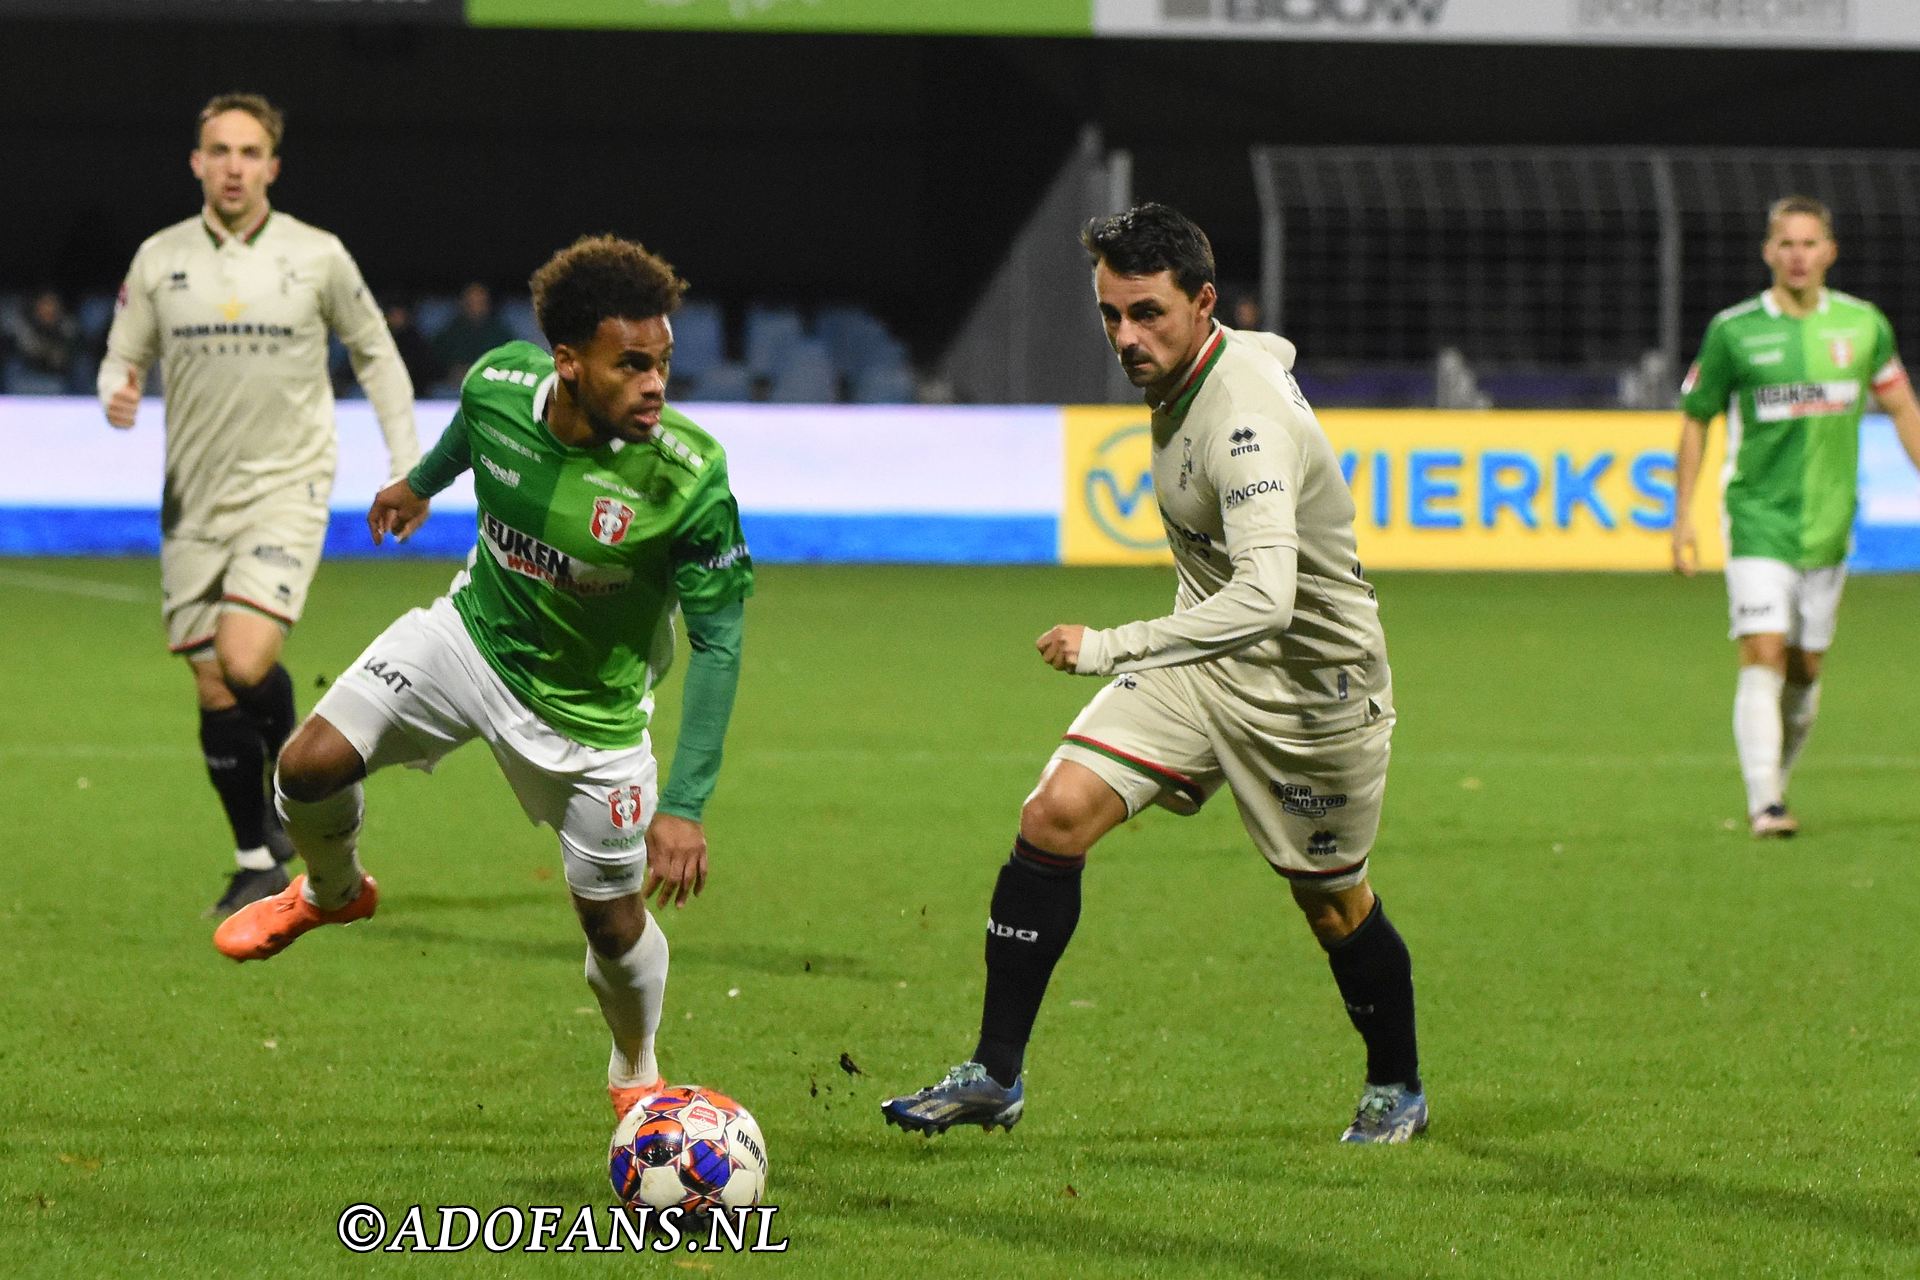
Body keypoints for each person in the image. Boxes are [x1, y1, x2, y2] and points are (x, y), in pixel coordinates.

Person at [881, 204, 1426, 1144]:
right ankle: (994, 1075)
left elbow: (1266, 600)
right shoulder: (1206, 361)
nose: (1125, 338)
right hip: (1201, 668)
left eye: (1147, 314)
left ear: (1202, 303)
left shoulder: (1241, 426)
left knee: (1332, 903)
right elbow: (1270, 352)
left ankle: (1397, 1085)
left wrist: (1108, 645)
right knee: (1052, 816)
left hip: (1309, 694)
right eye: (1110, 315)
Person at [212, 234, 753, 1125]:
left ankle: (635, 1066)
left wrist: (685, 804)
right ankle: (331, 892)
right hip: (468, 643)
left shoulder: (687, 479)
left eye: (662, 362)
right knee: (305, 767)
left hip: (592, 724)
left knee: (612, 928)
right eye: (632, 364)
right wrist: (420, 485)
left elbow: (722, 642)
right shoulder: (500, 383)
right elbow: (474, 433)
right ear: (569, 363)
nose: (656, 383)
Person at [96, 92, 420, 916]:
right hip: (192, 500)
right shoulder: (159, 257)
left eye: (249, 152)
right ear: (197, 162)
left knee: (244, 661)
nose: (233, 165)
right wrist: (118, 390)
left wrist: (408, 461)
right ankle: (257, 858)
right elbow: (120, 355)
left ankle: (298, 765)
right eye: (219, 150)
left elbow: (375, 353)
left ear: (272, 167)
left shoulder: (316, 256)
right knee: (211, 689)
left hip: (287, 486)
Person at [1672, 196, 1920, 838]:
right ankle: (1765, 804)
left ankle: (1772, 780)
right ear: (1767, 253)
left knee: (1806, 668)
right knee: (1763, 650)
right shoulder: (1734, 330)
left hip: (1829, 527)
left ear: (1830, 252)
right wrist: (1684, 519)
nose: (1798, 256)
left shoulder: (1864, 326)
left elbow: (1901, 408)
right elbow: (1696, 419)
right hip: (1756, 518)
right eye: (1786, 244)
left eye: (1810, 244)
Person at [430, 281, 515, 392]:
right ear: (462, 302)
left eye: (480, 301)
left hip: (492, 389)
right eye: (471, 302)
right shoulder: (450, 331)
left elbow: (511, 363)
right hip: (453, 389)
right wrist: (452, 372)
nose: (475, 306)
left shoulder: (500, 332)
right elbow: (435, 361)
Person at [6, 289, 81, 392]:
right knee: (12, 366)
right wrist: (47, 351)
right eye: (45, 304)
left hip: (58, 377)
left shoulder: (66, 326)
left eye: (52, 304)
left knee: (81, 368)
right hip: (27, 373)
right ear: (37, 306)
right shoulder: (25, 324)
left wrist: (47, 352)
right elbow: (29, 349)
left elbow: (61, 358)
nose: (48, 309)